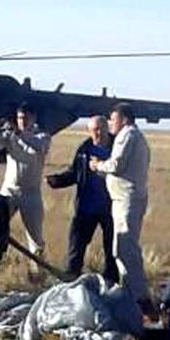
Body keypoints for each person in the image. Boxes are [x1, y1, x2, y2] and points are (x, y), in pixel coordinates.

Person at [89, 103, 152, 313]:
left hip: (126, 200)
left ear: (124, 119)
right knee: (121, 249)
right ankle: (130, 295)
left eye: (113, 119)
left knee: (126, 249)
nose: (110, 124)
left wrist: (99, 165)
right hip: (125, 199)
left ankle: (140, 298)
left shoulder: (127, 135)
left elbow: (117, 165)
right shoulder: (135, 136)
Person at [45, 114, 119, 283]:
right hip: (86, 207)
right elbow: (74, 173)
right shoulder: (84, 149)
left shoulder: (118, 148)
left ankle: (111, 284)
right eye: (94, 130)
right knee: (76, 247)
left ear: (107, 128)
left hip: (111, 208)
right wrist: (57, 180)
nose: (98, 133)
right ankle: (71, 281)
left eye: (100, 129)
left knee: (112, 250)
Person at [0, 103, 51, 264]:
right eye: (20, 118)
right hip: (9, 190)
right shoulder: (10, 135)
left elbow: (37, 146)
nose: (22, 121)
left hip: (31, 193)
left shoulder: (42, 136)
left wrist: (19, 133)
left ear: (34, 118)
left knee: (35, 237)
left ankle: (36, 270)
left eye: (26, 118)